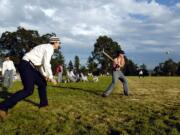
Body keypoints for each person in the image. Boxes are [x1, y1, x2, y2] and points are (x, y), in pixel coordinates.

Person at [0, 36, 60, 119]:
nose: (59, 45)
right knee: (28, 90)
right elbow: (46, 64)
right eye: (59, 43)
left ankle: (44, 105)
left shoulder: (45, 47)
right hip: (26, 65)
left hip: (30, 66)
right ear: (55, 42)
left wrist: (45, 75)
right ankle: (2, 107)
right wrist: (51, 77)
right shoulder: (49, 48)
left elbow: (40, 65)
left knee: (42, 83)